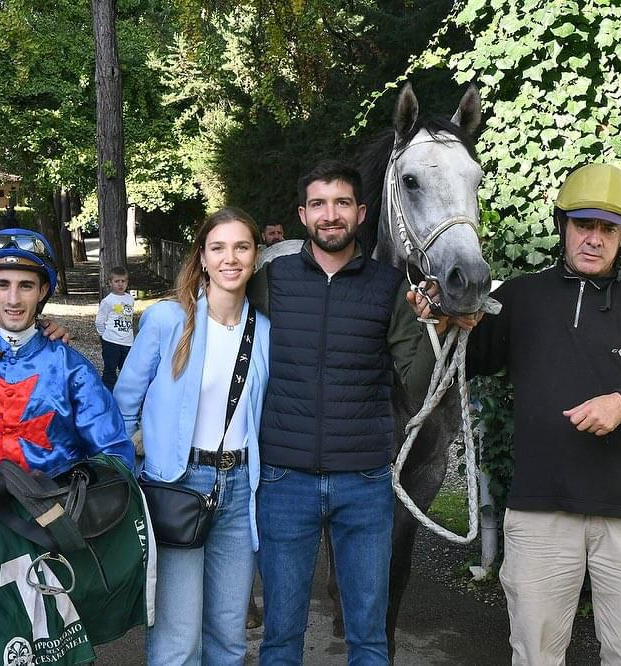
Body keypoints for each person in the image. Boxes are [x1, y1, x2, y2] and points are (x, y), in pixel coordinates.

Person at [451, 163, 621, 665]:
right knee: (534, 657)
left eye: (608, 229)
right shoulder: (518, 298)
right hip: (539, 516)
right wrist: (443, 316)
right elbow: (460, 360)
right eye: (583, 225)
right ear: (562, 225)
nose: (594, 239)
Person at [247, 160, 473, 664]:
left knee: (367, 636)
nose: (332, 215)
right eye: (320, 205)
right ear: (303, 214)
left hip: (366, 485)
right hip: (286, 482)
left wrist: (435, 326)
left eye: (343, 203)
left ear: (362, 212)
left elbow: (416, 382)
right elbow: (211, 313)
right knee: (281, 637)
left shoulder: (388, 285)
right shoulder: (271, 280)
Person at [0, 228, 137, 663]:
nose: (14, 299)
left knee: (55, 649)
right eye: (2, 284)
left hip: (52, 528)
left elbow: (113, 453)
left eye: (26, 285)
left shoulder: (71, 367)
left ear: (43, 291)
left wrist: (80, 504)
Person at [114, 207, 271, 665]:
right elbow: (123, 406)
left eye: (241, 247)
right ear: (202, 257)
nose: (230, 258)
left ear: (255, 257)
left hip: (240, 490)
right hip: (177, 485)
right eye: (218, 247)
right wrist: (126, 477)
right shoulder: (168, 320)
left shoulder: (263, 331)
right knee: (179, 640)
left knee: (229, 638)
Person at [95, 266, 135, 390]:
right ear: (110, 283)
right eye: (117, 281)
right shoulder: (108, 301)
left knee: (127, 371)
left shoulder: (130, 299)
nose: (120, 284)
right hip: (111, 341)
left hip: (127, 341)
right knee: (110, 370)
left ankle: (124, 395)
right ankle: (108, 395)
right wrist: (104, 336)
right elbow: (100, 321)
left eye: (123, 281)